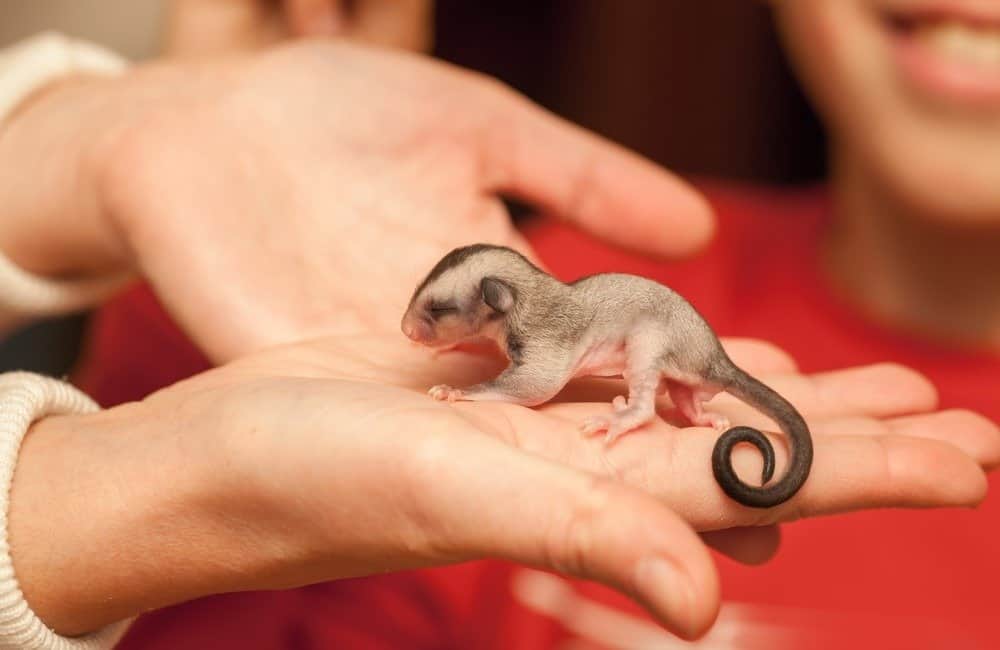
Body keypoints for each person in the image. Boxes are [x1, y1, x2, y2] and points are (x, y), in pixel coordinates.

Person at [0, 2, 995, 650]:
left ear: (498, 310)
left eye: (445, 320)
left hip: (663, 349)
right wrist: (108, 147)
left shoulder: (552, 331)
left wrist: (553, 392)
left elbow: (533, 380)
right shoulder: (537, 262)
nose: (425, 332)